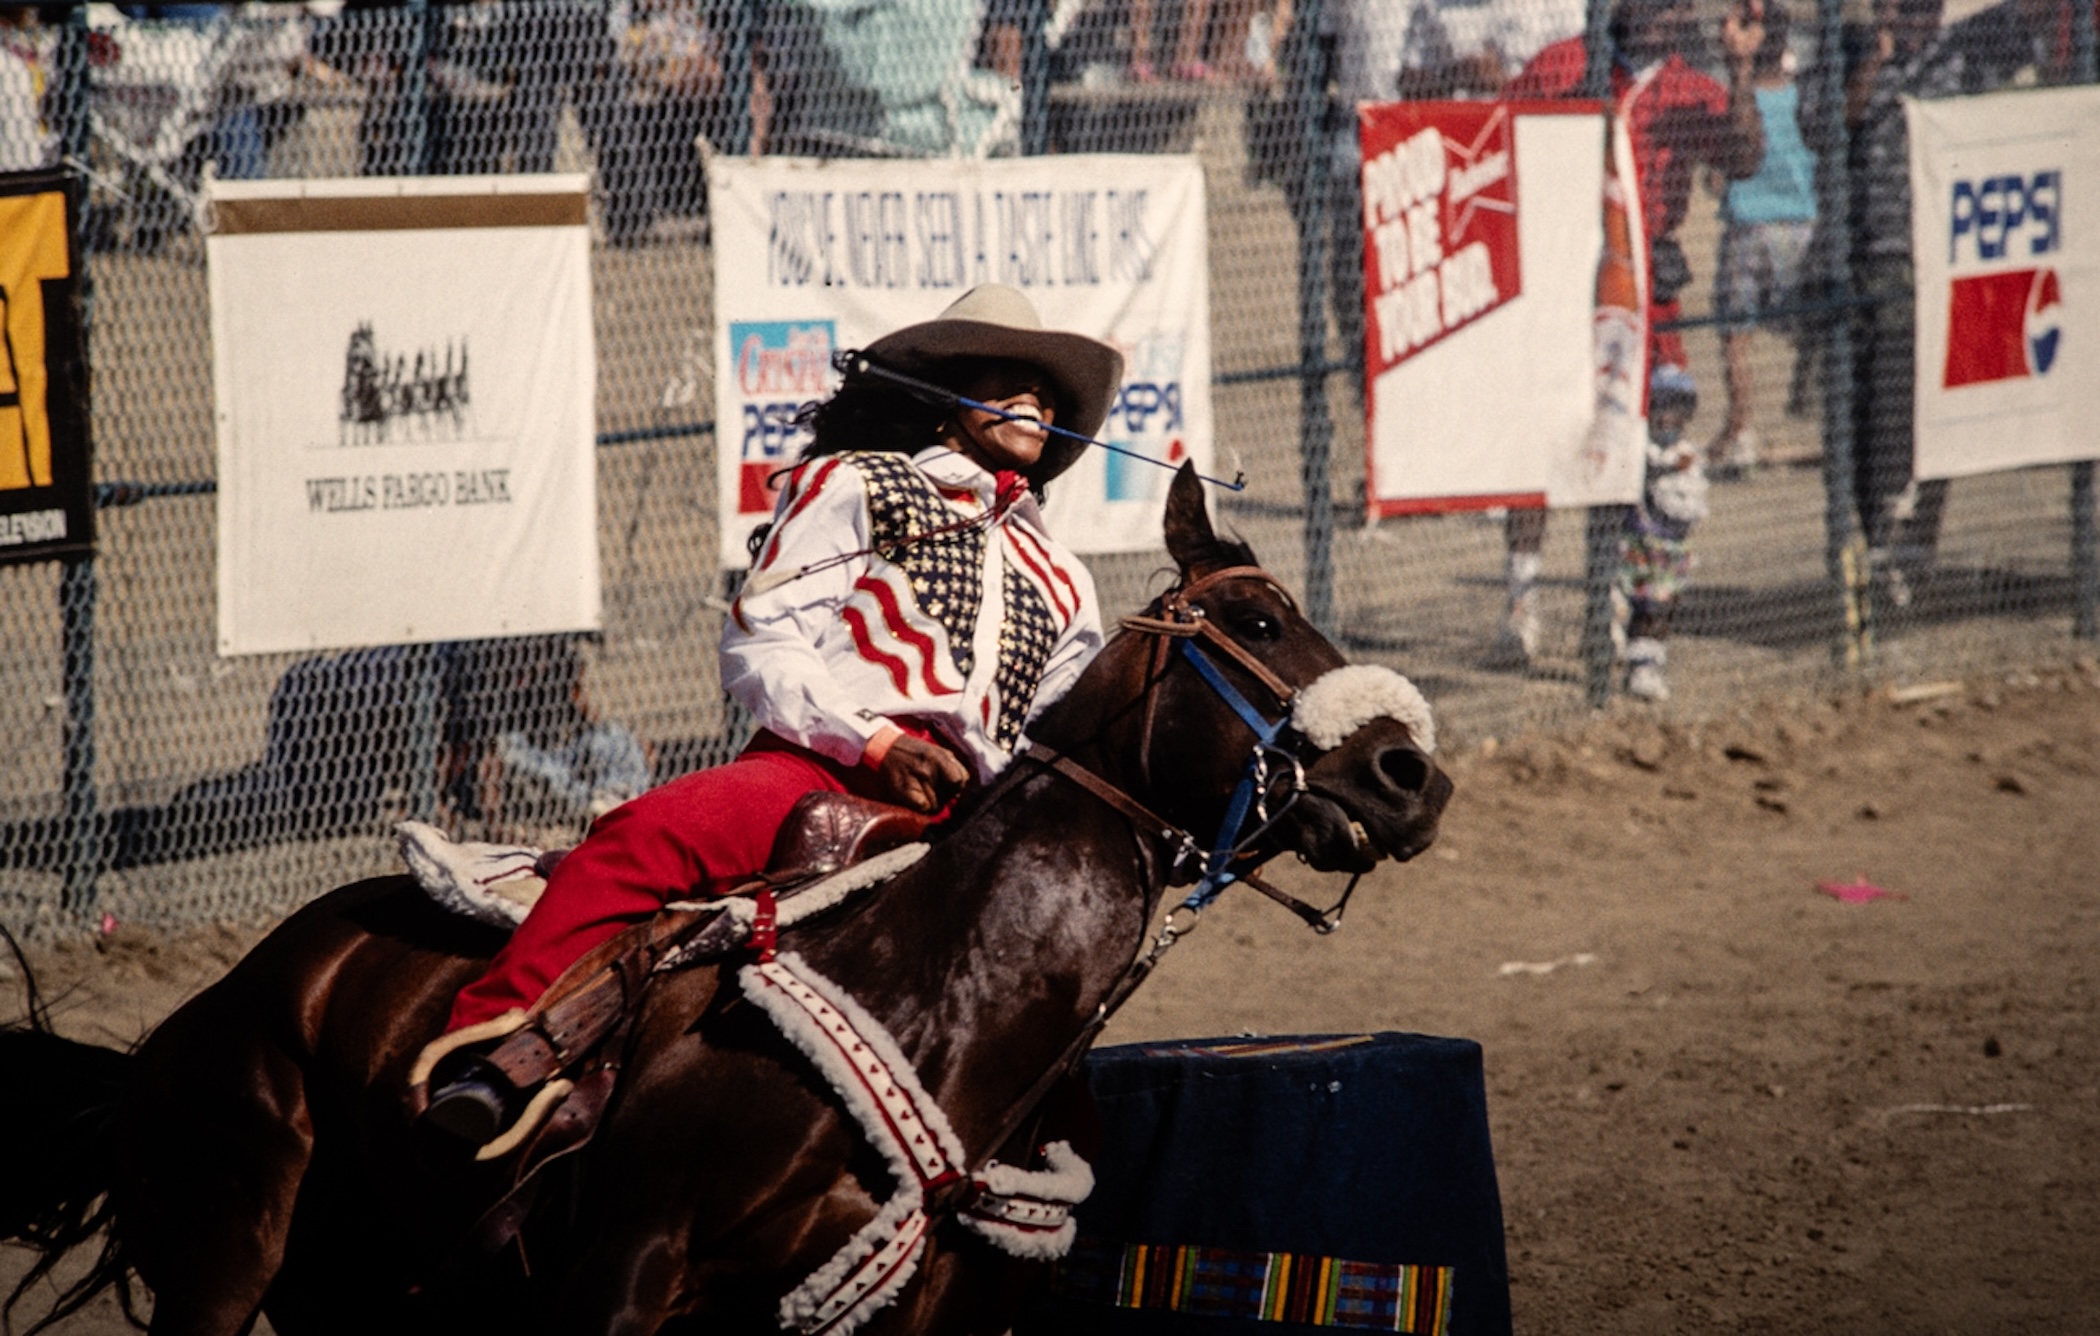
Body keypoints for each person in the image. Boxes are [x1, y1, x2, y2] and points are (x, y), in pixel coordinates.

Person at [421, 285, 1121, 1146]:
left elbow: (1054, 727)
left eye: (1048, 394)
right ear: (947, 396)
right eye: (1006, 379)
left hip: (969, 818)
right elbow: (761, 642)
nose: (1036, 403)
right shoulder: (855, 482)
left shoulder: (1066, 577)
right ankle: (486, 1055)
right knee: (643, 837)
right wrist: (876, 739)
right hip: (812, 770)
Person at [1492, 0, 1767, 666]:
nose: (1667, 10)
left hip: (1650, 298)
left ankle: (1639, 631)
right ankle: (1522, 600)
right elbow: (1496, 149)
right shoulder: (1562, 66)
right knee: (1547, 443)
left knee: (1665, 470)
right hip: (1564, 286)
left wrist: (1740, 70)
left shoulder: (1686, 85)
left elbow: (1744, 157)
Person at [1796, 0, 2063, 608]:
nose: (1912, 17)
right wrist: (1876, 58)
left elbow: (2040, 18)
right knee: (1855, 426)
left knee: (1913, 412)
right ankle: (1868, 554)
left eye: (1923, 7)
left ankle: (1905, 553)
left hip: (1931, 263)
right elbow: (1823, 130)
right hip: (1850, 261)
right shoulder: (1843, 52)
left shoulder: (1963, 50)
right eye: (1898, 6)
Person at [1708, 0, 1813, 479]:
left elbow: (1716, 175)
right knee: (1811, 331)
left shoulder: (1736, 98)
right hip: (1801, 229)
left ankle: (1742, 429)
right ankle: (1817, 416)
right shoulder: (1802, 98)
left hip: (1750, 229)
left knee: (1737, 338)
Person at [1618, 365, 1708, 700]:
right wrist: (1665, 467)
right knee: (1645, 606)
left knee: (1664, 608)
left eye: (1677, 407)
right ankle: (1637, 666)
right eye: (1661, 405)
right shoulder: (1642, 448)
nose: (1668, 416)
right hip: (1643, 543)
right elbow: (1642, 469)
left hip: (1674, 549)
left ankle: (1651, 663)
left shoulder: (1687, 452)